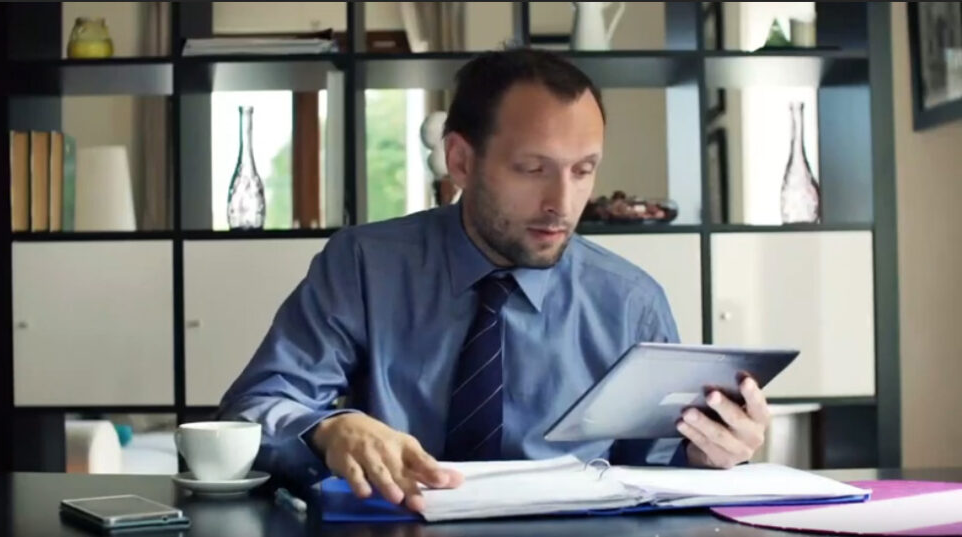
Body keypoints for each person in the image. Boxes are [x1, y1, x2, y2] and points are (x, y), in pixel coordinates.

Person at [218, 48, 771, 512]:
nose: (562, 203)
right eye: (533, 169)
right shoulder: (363, 266)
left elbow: (658, 474)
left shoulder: (630, 302)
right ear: (460, 161)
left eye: (583, 170)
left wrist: (712, 454)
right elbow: (257, 405)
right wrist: (328, 428)